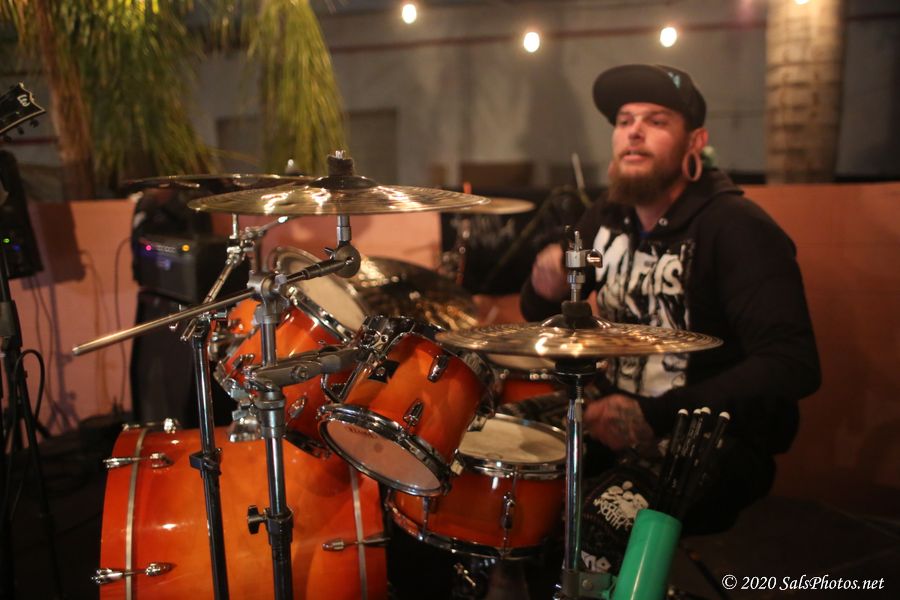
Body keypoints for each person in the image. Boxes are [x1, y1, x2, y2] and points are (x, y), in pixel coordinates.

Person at [520, 64, 821, 575]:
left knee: (598, 520)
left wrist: (654, 415)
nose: (634, 131)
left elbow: (793, 364)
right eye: (624, 120)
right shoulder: (607, 218)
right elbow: (542, 317)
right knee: (500, 456)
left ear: (695, 142)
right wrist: (542, 288)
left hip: (710, 438)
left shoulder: (736, 229)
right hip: (610, 412)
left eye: (656, 120)